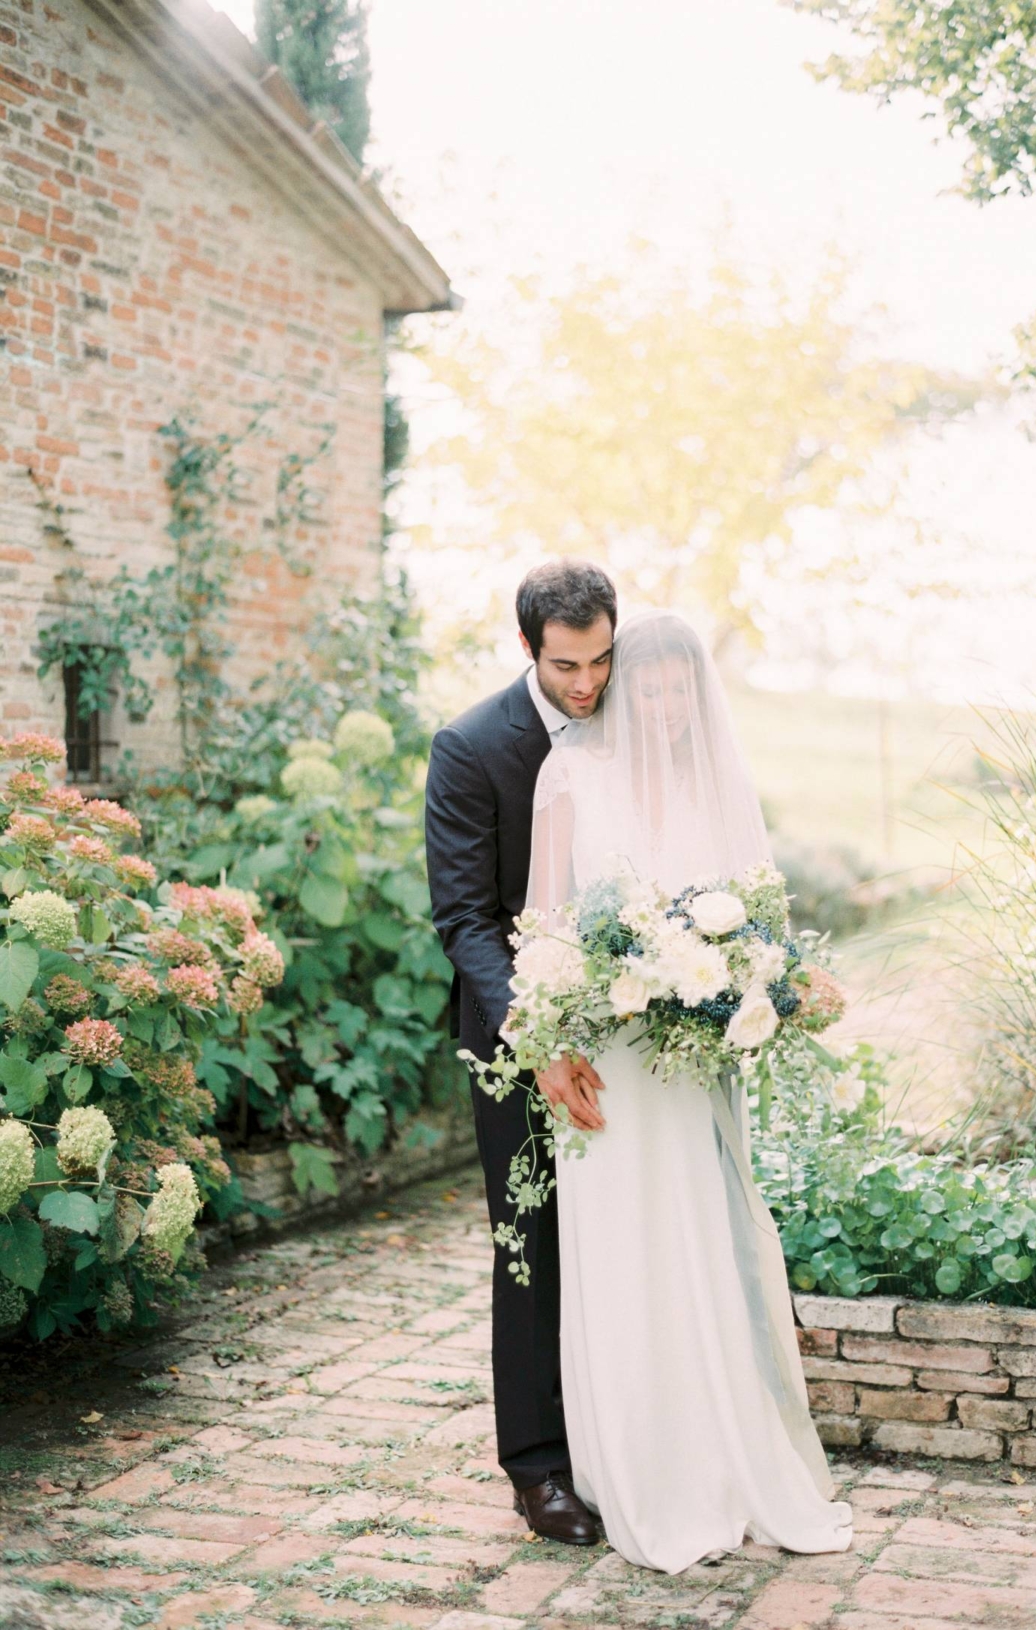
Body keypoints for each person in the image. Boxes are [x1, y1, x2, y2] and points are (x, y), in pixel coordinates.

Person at [526, 607, 855, 1574]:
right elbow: (543, 927)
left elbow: (756, 924)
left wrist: (771, 985)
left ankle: (719, 1458)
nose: (666, 701)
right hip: (609, 1068)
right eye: (650, 681)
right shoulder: (570, 776)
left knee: (700, 1250)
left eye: (682, 684)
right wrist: (552, 1044)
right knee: (624, 1255)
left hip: (691, 1062)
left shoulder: (716, 787)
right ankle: (638, 1472)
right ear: (621, 678)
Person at [424, 559, 617, 1544]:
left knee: (624, 1232)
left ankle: (622, 1441)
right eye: (567, 664)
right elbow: (463, 918)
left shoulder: (635, 719)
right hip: (513, 1038)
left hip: (633, 1027)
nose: (587, 684)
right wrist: (539, 1038)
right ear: (528, 649)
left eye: (600, 659)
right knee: (529, 1244)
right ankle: (537, 1467)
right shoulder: (470, 746)